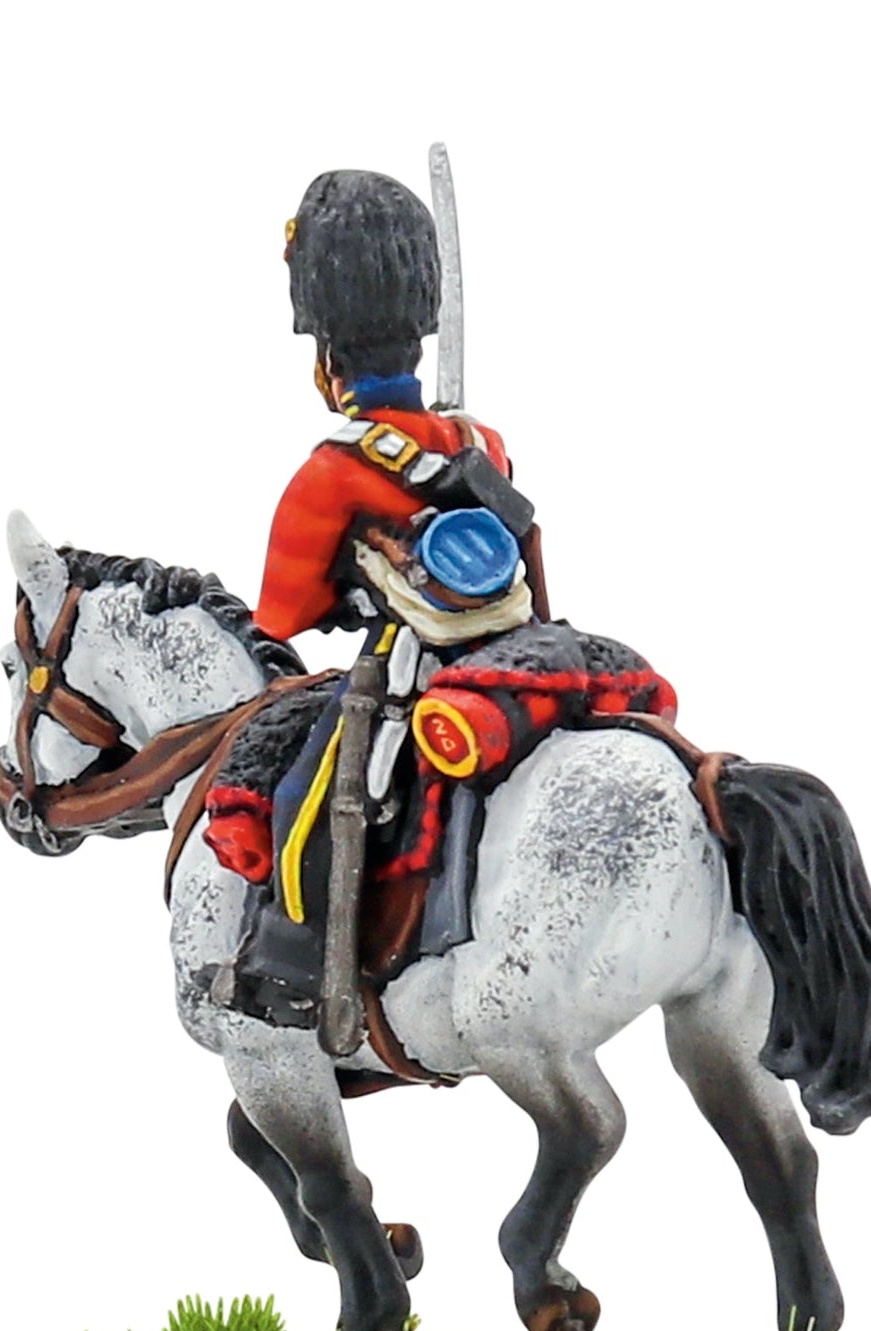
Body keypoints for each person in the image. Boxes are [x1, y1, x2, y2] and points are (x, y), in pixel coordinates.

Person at [207, 168, 673, 1031]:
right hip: (515, 648)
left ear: (327, 353)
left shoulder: (333, 468)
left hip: (406, 666)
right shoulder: (480, 440)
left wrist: (348, 595)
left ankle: (292, 969)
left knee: (299, 805)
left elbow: (283, 614)